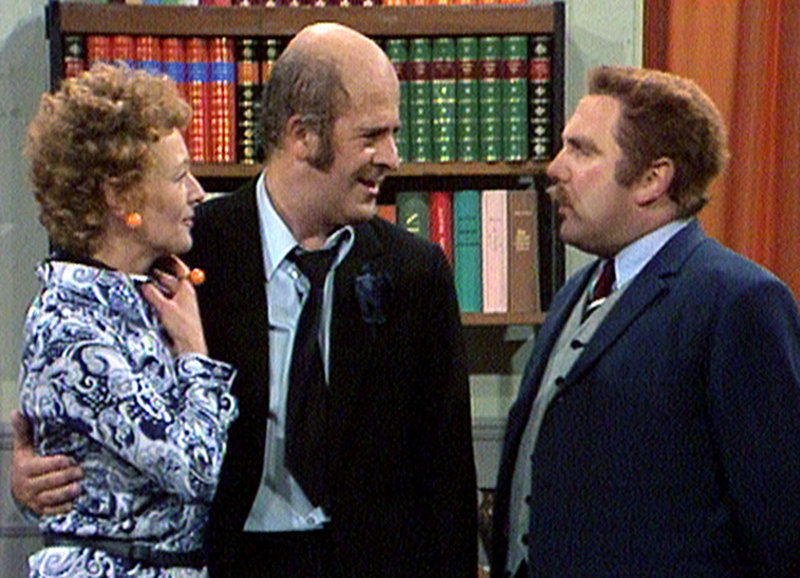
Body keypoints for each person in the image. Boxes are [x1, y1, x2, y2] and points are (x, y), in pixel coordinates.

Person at [13, 23, 478, 577]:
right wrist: (34, 477)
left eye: (393, 133)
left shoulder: (416, 272)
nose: (393, 157)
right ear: (303, 134)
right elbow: (98, 399)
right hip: (227, 563)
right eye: (372, 135)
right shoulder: (185, 254)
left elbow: (447, 477)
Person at [491, 65, 800, 577]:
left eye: (581, 150)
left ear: (653, 179)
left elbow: (779, 521)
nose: (555, 168)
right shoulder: (576, 291)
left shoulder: (738, 302)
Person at [16, 62, 238, 577]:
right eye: (179, 177)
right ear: (119, 197)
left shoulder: (157, 292)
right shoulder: (69, 326)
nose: (198, 193)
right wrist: (195, 356)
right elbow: (194, 469)